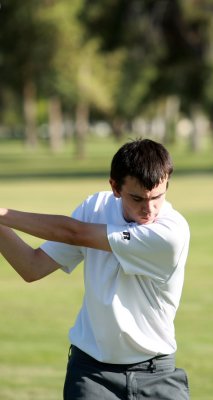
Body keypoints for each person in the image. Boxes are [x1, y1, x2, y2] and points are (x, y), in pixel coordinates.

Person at [0, 138, 190, 399]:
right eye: (137, 198)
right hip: (91, 376)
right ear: (114, 186)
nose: (149, 209)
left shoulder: (170, 233)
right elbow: (32, 267)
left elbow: (72, 232)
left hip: (157, 374)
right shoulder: (95, 208)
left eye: (158, 197)